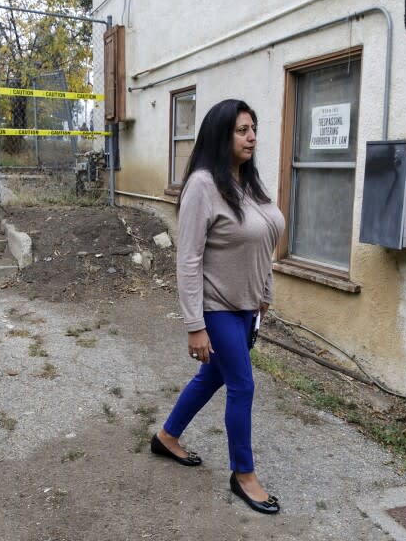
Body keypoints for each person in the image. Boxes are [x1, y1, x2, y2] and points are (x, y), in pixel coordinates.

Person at [150, 99, 285, 515]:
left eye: (254, 128)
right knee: (242, 384)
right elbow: (188, 258)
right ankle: (243, 474)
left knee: (214, 377)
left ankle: (167, 436)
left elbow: (264, 243)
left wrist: (265, 293)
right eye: (242, 130)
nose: (252, 137)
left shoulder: (249, 184)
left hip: (248, 307)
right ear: (221, 134)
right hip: (218, 306)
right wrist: (195, 325)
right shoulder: (203, 186)